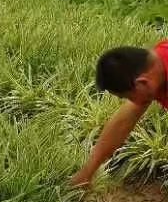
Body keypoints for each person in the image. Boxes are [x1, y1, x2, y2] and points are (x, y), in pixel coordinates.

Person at [72, 42, 168, 186]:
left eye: (129, 97)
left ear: (142, 82)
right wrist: (87, 173)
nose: (132, 102)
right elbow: (123, 121)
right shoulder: (156, 65)